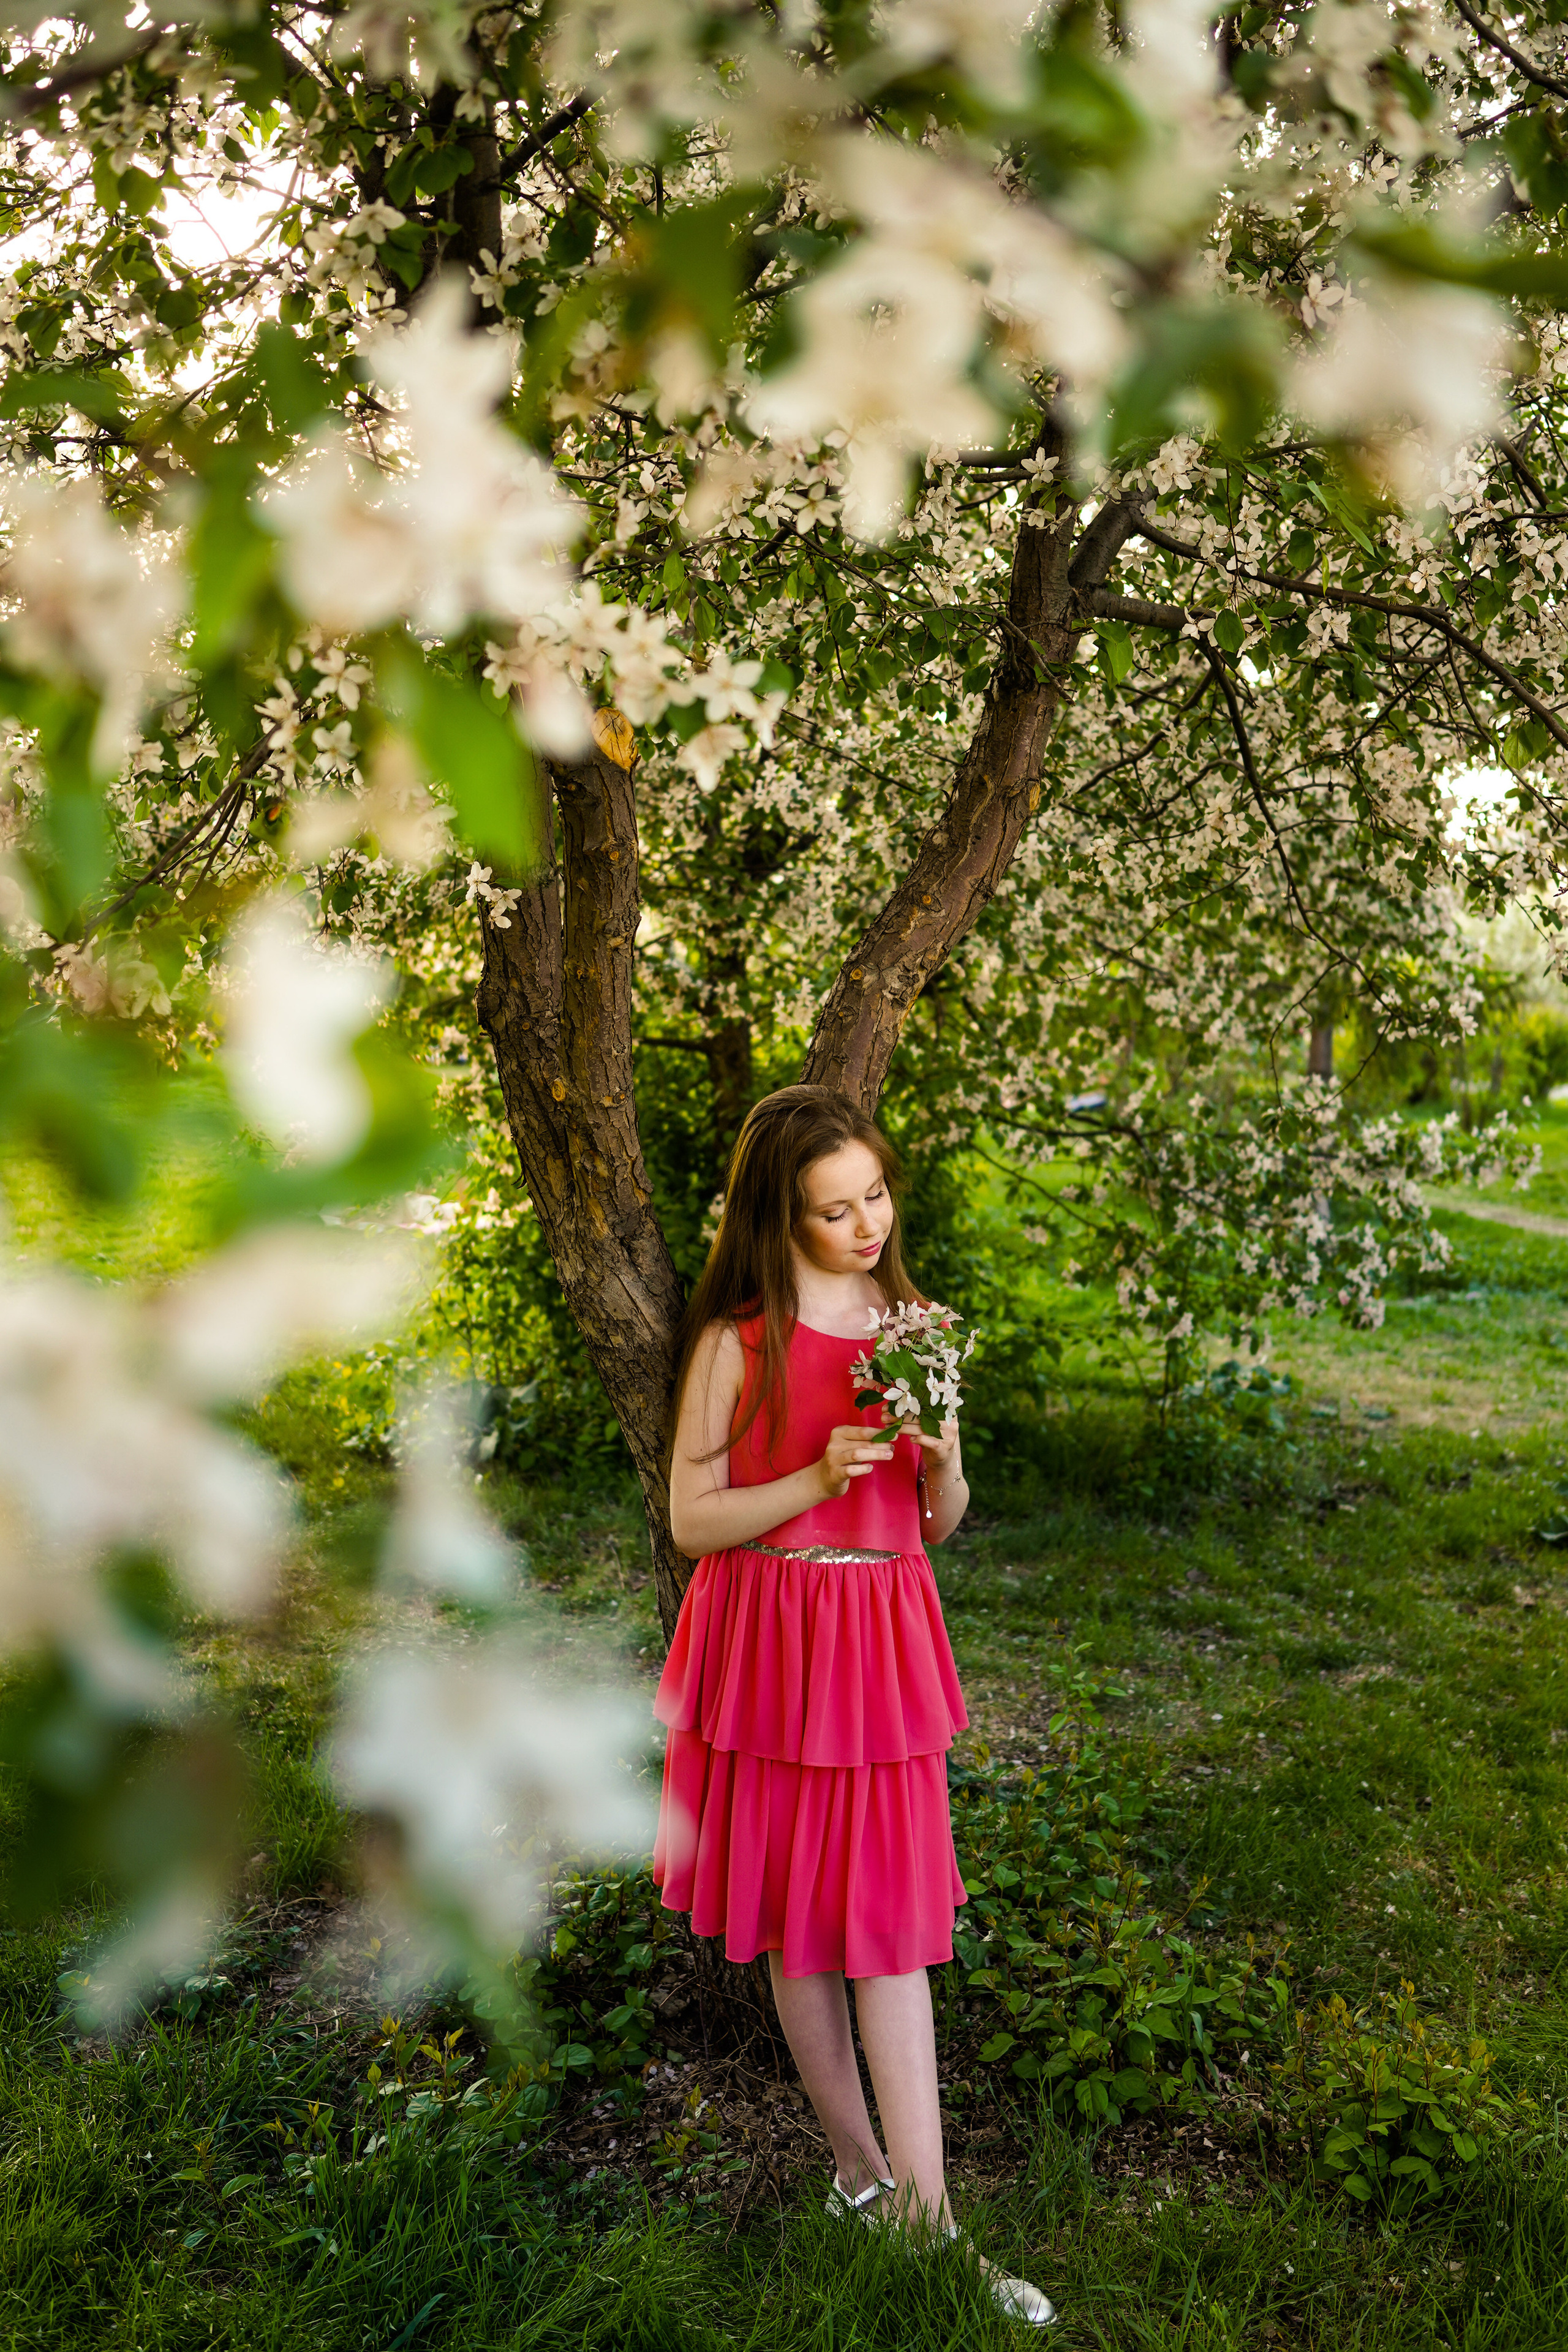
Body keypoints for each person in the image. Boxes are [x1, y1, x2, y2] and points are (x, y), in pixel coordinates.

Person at [653, 1084, 1056, 2329]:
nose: (866, 1222)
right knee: (796, 1923)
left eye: (874, 1193)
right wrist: (809, 1474)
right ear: (780, 1217)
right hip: (768, 1640)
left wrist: (940, 1462)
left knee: (888, 1925)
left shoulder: (911, 1323)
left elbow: (935, 1523)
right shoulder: (736, 1341)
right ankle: (857, 2178)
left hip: (877, 1639)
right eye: (834, 1210)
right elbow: (690, 1517)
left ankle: (931, 2229)